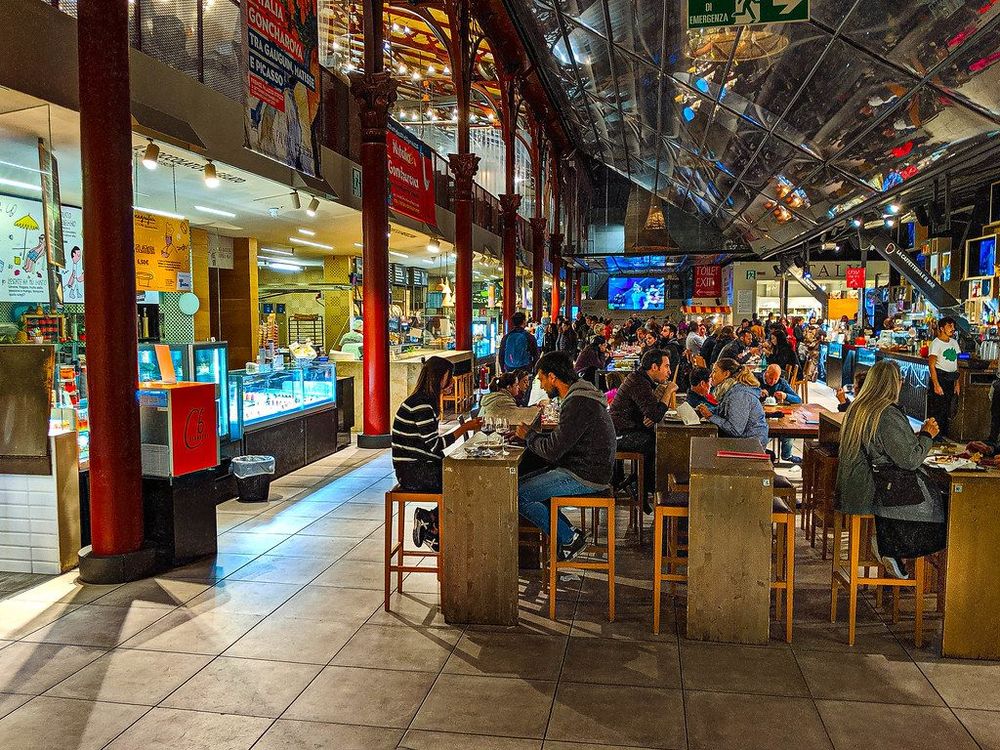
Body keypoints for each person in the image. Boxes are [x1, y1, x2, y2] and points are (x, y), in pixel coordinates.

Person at [836, 360, 945, 578]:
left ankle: (891, 546)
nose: (902, 384)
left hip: (853, 488)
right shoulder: (886, 413)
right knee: (941, 508)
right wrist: (927, 435)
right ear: (892, 383)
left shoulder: (858, 408)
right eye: (900, 380)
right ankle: (892, 547)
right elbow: (910, 460)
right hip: (875, 493)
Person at [515, 352, 617, 561]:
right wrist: (533, 436)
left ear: (553, 377)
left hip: (586, 474)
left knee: (517, 494)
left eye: (542, 379)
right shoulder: (581, 395)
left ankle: (569, 538)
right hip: (588, 467)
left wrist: (530, 436)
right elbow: (564, 438)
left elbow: (553, 450)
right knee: (523, 483)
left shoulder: (578, 401)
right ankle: (568, 532)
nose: (542, 386)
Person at [392, 357, 480, 550]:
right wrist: (464, 429)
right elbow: (434, 445)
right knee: (464, 482)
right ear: (438, 377)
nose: (451, 383)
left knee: (463, 478)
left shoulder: (424, 401)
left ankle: (431, 520)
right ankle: (437, 531)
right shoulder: (421, 405)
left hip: (417, 467)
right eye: (449, 377)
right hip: (414, 472)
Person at [609, 348, 678, 491]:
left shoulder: (641, 379)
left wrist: (651, 414)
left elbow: (651, 415)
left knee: (655, 439)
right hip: (617, 434)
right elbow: (655, 415)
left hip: (625, 429)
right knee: (655, 443)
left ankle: (639, 484)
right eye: (666, 366)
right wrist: (668, 391)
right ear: (654, 367)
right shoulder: (639, 382)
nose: (669, 372)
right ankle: (642, 488)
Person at [695, 357, 768, 450]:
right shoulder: (731, 390)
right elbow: (724, 411)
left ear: (726, 374)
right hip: (745, 442)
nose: (711, 375)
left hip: (750, 446)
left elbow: (735, 430)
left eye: (714, 371)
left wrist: (710, 416)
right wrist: (706, 411)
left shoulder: (739, 395)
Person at [760, 364, 802, 464]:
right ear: (766, 373)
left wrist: (785, 395)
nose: (773, 381)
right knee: (763, 431)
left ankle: (787, 455)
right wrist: (758, 392)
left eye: (775, 379)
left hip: (777, 414)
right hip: (761, 414)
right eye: (770, 378)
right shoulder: (757, 380)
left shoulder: (782, 382)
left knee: (789, 429)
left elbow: (798, 400)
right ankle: (761, 452)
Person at [927, 316, 960, 440]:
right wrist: (936, 384)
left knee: (947, 409)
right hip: (940, 378)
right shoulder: (936, 343)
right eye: (949, 326)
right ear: (942, 328)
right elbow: (931, 365)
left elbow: (956, 364)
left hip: (951, 378)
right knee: (937, 410)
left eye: (953, 326)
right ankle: (934, 436)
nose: (952, 329)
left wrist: (957, 383)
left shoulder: (954, 342)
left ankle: (944, 436)